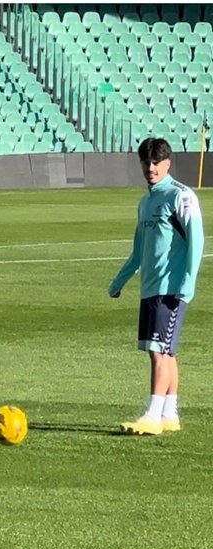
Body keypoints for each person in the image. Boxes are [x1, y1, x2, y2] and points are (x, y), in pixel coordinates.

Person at [109, 138, 203, 436]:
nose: (151, 168)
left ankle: (152, 415)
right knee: (166, 352)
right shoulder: (146, 202)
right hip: (150, 288)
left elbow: (197, 241)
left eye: (156, 162)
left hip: (171, 288)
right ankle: (169, 414)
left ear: (167, 163)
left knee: (158, 351)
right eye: (146, 162)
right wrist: (119, 281)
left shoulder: (181, 196)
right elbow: (138, 251)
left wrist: (187, 283)